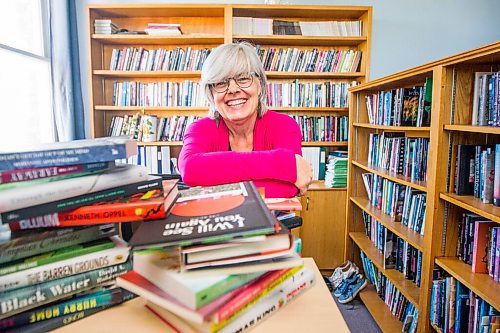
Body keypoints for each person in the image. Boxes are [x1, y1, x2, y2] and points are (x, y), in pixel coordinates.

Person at [178, 42, 313, 198]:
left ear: (260, 85)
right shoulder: (200, 129)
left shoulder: (283, 125)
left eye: (243, 78)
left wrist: (212, 184)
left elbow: (288, 188)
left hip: (273, 221)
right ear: (211, 93)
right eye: (221, 82)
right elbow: (190, 169)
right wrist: (283, 163)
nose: (233, 89)